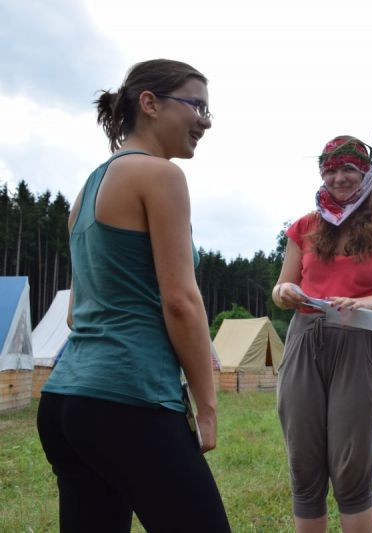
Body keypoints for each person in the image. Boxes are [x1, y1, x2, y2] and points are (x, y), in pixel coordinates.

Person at [36, 59, 231, 532]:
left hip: (65, 403)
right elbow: (181, 300)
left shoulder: (87, 191)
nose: (205, 120)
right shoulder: (159, 176)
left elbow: (73, 316)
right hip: (128, 400)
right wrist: (206, 406)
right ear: (149, 103)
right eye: (196, 105)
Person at [272, 134, 372, 533]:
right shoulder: (302, 228)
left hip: (359, 341)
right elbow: (280, 288)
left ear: (366, 173)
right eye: (331, 170)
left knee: (350, 461)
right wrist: (284, 292)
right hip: (305, 338)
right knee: (304, 459)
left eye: (349, 170)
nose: (339, 178)